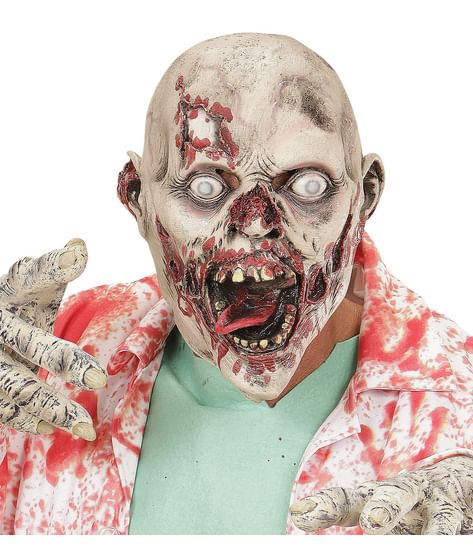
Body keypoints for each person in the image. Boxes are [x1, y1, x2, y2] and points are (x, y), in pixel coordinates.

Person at [0, 33, 472, 535]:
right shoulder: (56, 349)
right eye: (206, 185)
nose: (257, 221)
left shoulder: (458, 406)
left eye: (307, 185)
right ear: (138, 199)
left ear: (365, 196)